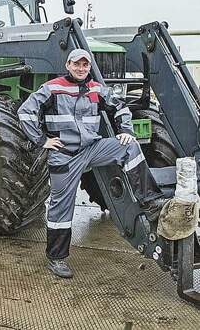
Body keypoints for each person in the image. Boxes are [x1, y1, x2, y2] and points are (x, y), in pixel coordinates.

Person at [17, 48, 168, 279]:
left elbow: (121, 107)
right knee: (61, 206)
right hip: (64, 154)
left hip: (91, 149)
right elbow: (25, 112)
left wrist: (125, 130)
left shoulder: (96, 89)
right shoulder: (52, 88)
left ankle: (150, 201)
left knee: (129, 146)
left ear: (89, 67)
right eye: (77, 64)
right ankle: (56, 258)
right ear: (68, 65)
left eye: (85, 65)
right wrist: (42, 140)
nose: (81, 68)